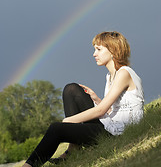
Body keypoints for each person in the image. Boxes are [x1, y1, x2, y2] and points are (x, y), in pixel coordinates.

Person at [22, 31, 144, 167]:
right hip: (110, 125)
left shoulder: (124, 73)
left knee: (56, 129)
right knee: (71, 89)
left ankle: (28, 166)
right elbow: (112, 109)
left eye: (98, 49)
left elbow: (102, 110)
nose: (94, 54)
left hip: (118, 132)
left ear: (113, 50)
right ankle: (73, 148)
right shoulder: (110, 77)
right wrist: (97, 99)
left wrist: (68, 121)